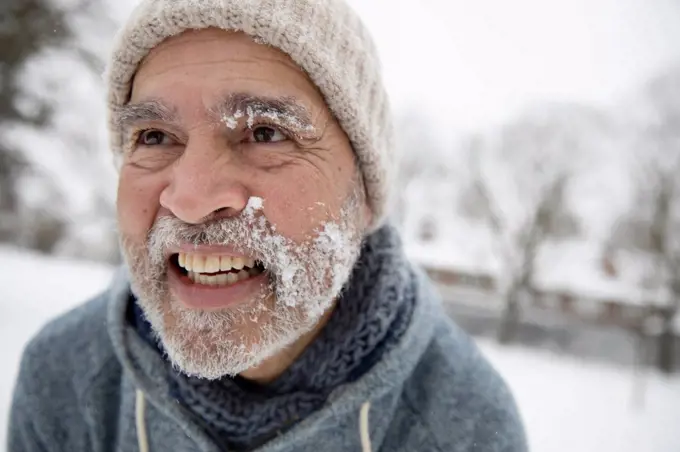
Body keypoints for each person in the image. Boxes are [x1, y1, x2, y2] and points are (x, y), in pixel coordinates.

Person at [8, 0, 527, 450]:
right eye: (153, 137)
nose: (190, 200)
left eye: (265, 132)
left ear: (364, 194)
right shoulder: (64, 378)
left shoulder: (463, 427)